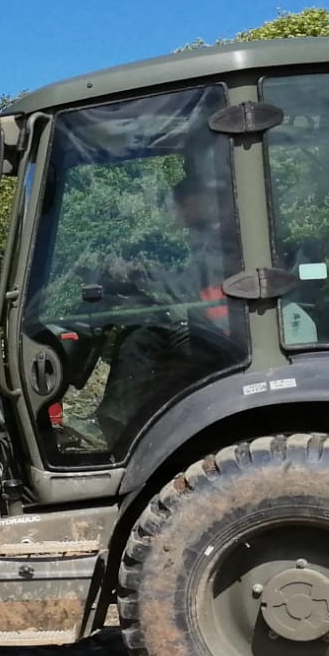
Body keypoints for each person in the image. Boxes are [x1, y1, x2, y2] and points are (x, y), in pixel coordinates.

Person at [90, 169, 244, 448]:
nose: (175, 213)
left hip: (226, 337)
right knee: (143, 331)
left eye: (180, 204)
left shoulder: (225, 239)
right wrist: (139, 276)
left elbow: (191, 285)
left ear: (199, 202)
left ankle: (119, 427)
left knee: (139, 341)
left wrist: (138, 276)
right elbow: (188, 280)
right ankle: (125, 424)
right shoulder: (206, 238)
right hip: (213, 326)